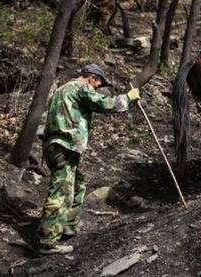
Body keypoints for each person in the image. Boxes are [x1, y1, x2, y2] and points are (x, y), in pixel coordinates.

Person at [36, 64, 140, 255]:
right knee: (61, 190)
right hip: (64, 145)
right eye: (98, 83)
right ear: (92, 77)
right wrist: (128, 98)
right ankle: (48, 241)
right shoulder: (80, 87)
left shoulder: (62, 89)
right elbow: (104, 104)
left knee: (78, 184)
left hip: (56, 145)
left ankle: (67, 226)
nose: (98, 86)